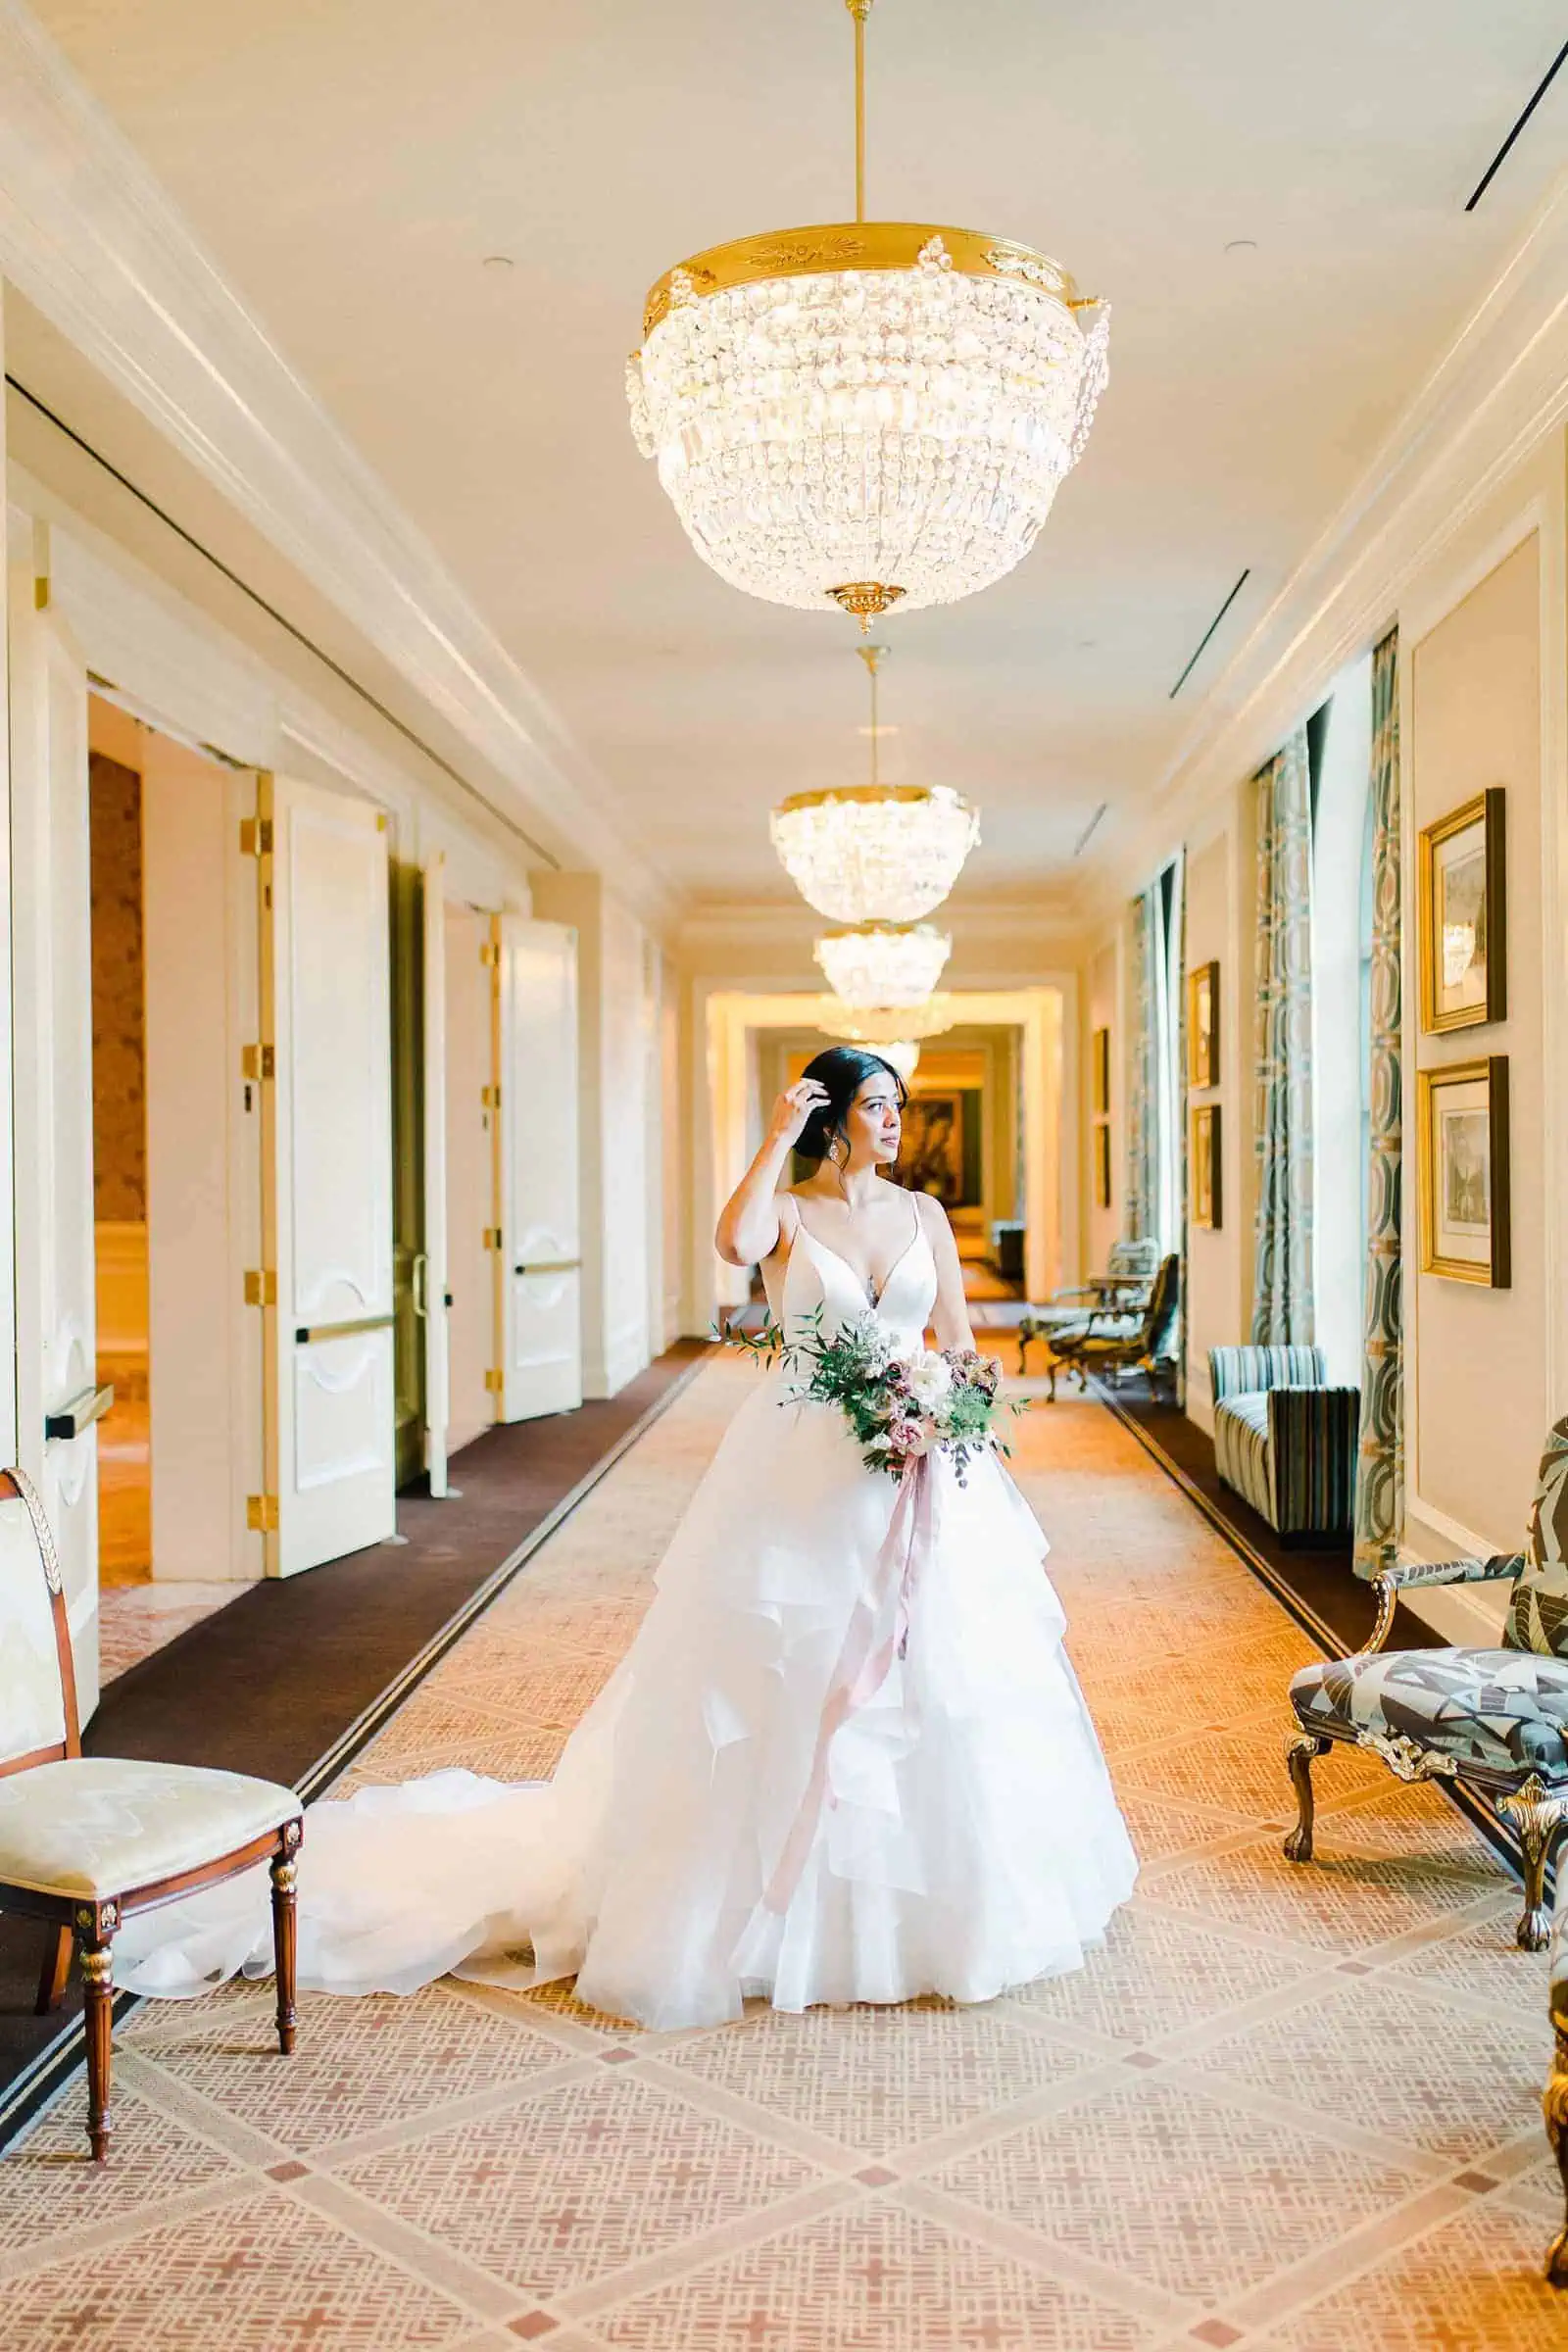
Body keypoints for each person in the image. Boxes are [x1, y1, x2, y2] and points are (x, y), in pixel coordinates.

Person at [115, 1048, 1135, 2029]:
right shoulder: (787, 1207)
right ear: (831, 1118)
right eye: (875, 1105)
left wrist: (950, 1406)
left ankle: (924, 1911)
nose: (894, 1123)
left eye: (898, 1107)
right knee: (779, 1666)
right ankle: (752, 1912)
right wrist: (777, 1135)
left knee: (939, 1675)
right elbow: (733, 1247)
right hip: (800, 1469)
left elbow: (953, 1336)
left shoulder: (922, 1215)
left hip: (918, 1474)